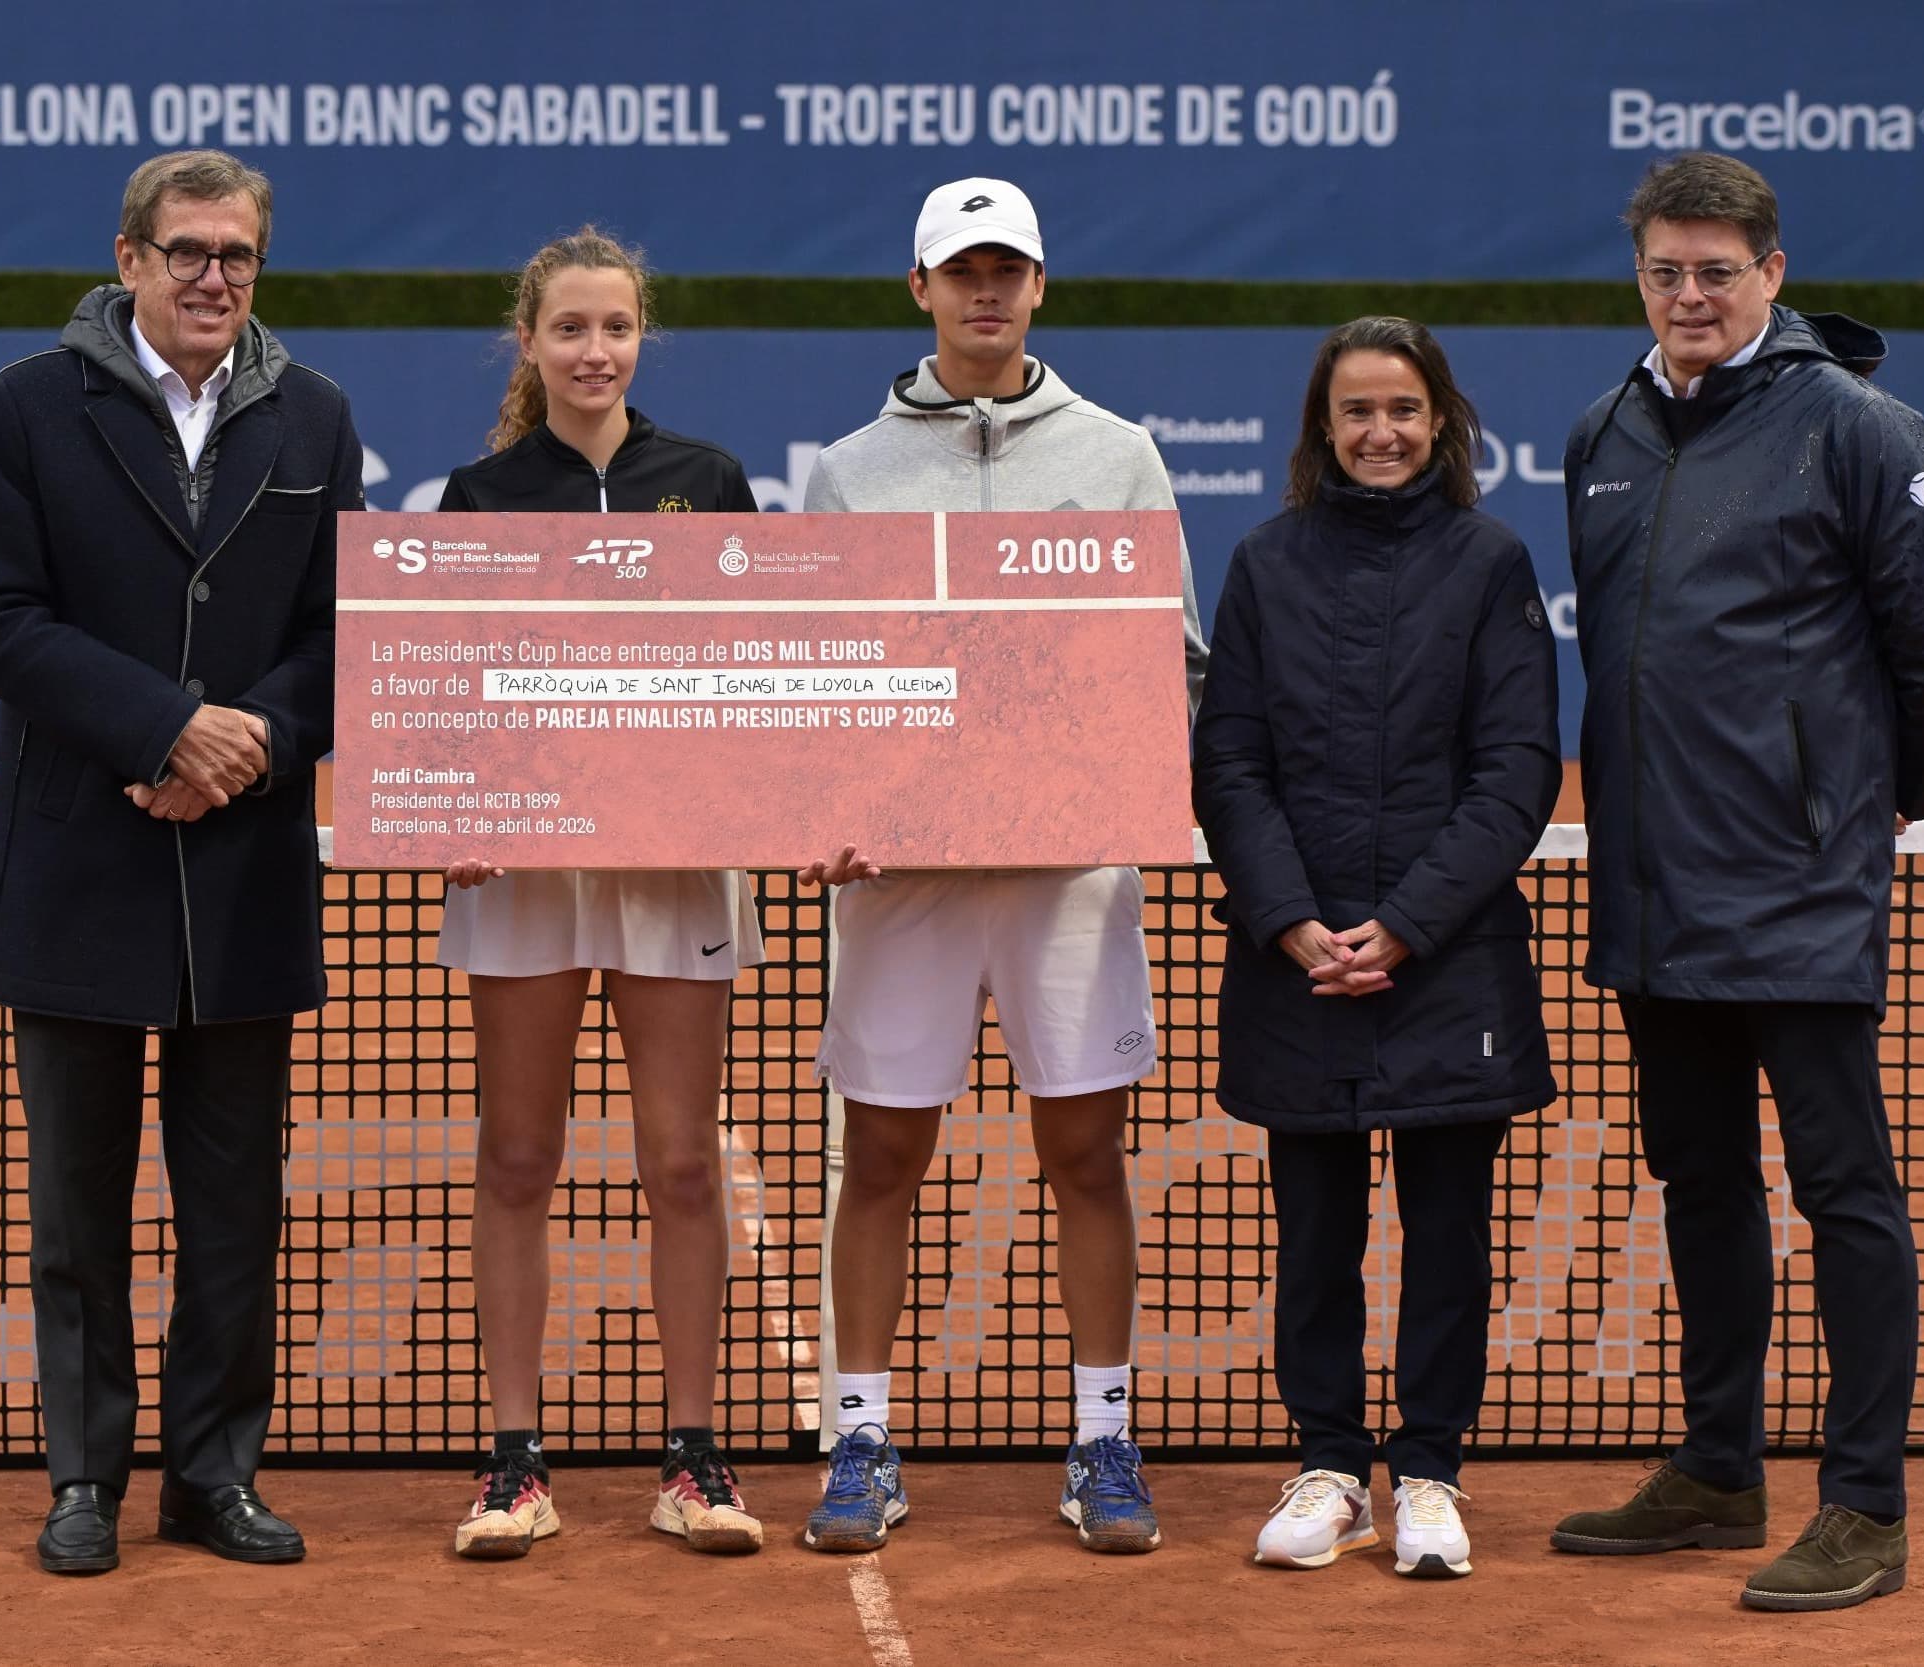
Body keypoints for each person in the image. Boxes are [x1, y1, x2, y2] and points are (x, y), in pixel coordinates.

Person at [1549, 153, 1924, 1612]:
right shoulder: (1603, 430)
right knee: (1697, 1179)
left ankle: (1864, 1503)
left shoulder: (1856, 426)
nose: (1690, 294)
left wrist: (1872, 801)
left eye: (1716, 271)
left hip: (1799, 885)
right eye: (1666, 271)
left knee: (1844, 1187)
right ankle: (1718, 1464)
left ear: (1772, 275)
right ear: (1642, 277)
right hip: (1655, 885)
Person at [0, 149, 360, 1574]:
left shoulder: (314, 415)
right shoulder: (20, 410)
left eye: (236, 255)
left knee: (235, 1201)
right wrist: (167, 724)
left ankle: (212, 1473)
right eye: (185, 251)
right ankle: (83, 1476)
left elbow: (335, 631)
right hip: (77, 856)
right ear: (127, 256)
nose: (211, 278)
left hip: (239, 861)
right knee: (78, 1205)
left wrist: (245, 742)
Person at [796, 178, 1207, 1556]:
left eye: (1007, 269)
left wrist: (1127, 778)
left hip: (1068, 876)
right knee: (883, 1151)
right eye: (961, 270)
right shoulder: (849, 469)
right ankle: (860, 1433)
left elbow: (1175, 661)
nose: (986, 291)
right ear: (918, 288)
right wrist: (828, 806)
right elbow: (821, 675)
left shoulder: (1120, 453)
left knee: (1084, 1151)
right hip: (902, 880)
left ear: (1039, 285)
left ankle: (1103, 1434)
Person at [1193, 316, 1560, 1579]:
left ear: (1442, 419)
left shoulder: (1492, 560)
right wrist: (1292, 919)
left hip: (1446, 959)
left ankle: (1434, 1472)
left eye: (1403, 408)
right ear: (1321, 429)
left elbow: (1516, 770)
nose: (1381, 432)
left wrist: (1403, 924)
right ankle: (1331, 1463)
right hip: (1295, 957)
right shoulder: (1263, 562)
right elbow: (1229, 760)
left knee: (1450, 1228)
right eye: (1356, 411)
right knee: (1314, 1227)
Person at [432, 228, 768, 1560]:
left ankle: (693, 1455)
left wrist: (763, 798)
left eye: (615, 327)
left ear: (643, 339)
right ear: (530, 342)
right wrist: (452, 804)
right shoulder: (479, 494)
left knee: (684, 1161)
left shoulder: (709, 481)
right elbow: (443, 688)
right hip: (527, 865)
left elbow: (759, 672)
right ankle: (513, 1461)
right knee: (517, 1157)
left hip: (677, 863)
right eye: (568, 328)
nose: (592, 350)